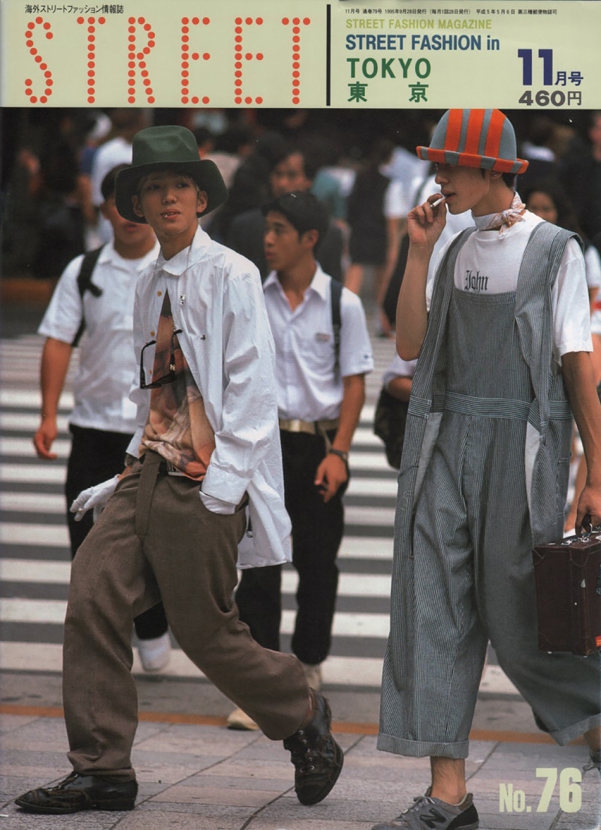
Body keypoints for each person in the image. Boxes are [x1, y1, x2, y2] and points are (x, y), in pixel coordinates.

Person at [15, 125, 344, 816]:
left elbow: (253, 389)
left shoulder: (231, 273)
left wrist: (224, 486)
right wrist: (125, 471)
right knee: (92, 597)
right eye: (153, 187)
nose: (167, 198)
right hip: (149, 471)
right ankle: (103, 767)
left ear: (201, 197)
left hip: (206, 475)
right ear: (136, 201)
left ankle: (302, 712)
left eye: (179, 186)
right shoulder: (145, 284)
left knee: (204, 632)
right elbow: (158, 392)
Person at [373, 109, 601, 830]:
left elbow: (576, 364)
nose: (439, 177)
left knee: (520, 615)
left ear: (490, 170)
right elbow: (409, 344)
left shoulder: (555, 249)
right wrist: (417, 252)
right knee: (433, 607)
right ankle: (448, 795)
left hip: (522, 444)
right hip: (444, 442)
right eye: (437, 165)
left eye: (450, 165)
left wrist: (595, 469)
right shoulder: (450, 243)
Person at [228, 191, 373, 730]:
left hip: (318, 448)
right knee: (259, 567)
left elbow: (355, 384)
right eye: (267, 228)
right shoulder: (251, 298)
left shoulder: (342, 304)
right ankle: (263, 687)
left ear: (310, 239)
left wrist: (339, 452)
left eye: (279, 230)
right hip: (261, 447)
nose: (268, 239)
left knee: (316, 563)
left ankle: (308, 666)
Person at [33, 164, 171, 672]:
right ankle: (106, 643)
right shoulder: (84, 271)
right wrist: (48, 415)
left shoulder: (173, 267)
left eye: (141, 202)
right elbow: (57, 340)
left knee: (151, 539)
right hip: (92, 428)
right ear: (106, 209)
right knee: (87, 541)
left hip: (153, 432)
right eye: (120, 202)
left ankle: (152, 624)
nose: (131, 214)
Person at [227, 147, 345, 281]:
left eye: (292, 175)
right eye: (278, 174)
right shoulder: (245, 226)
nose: (282, 183)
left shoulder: (330, 233)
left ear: (308, 180)